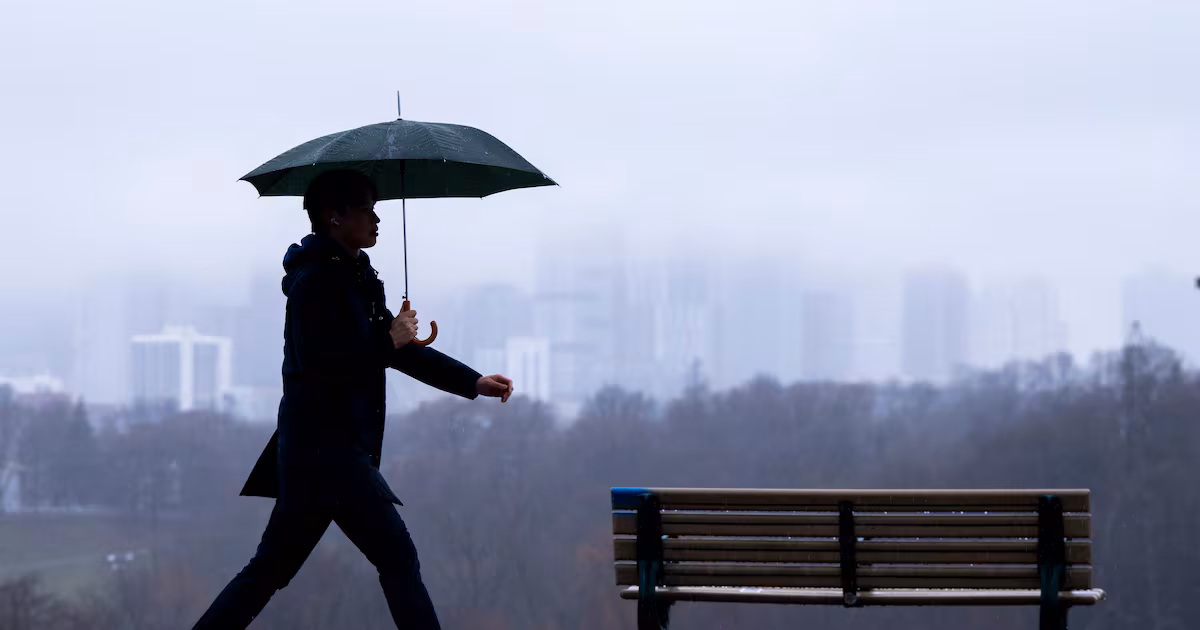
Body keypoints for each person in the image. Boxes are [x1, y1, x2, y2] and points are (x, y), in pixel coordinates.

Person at [190, 169, 513, 629]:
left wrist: (473, 381)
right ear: (333, 217)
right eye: (366, 208)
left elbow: (394, 354)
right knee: (397, 557)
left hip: (320, 457)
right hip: (328, 454)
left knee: (268, 572)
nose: (377, 219)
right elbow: (323, 363)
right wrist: (389, 341)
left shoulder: (356, 277)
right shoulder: (314, 283)